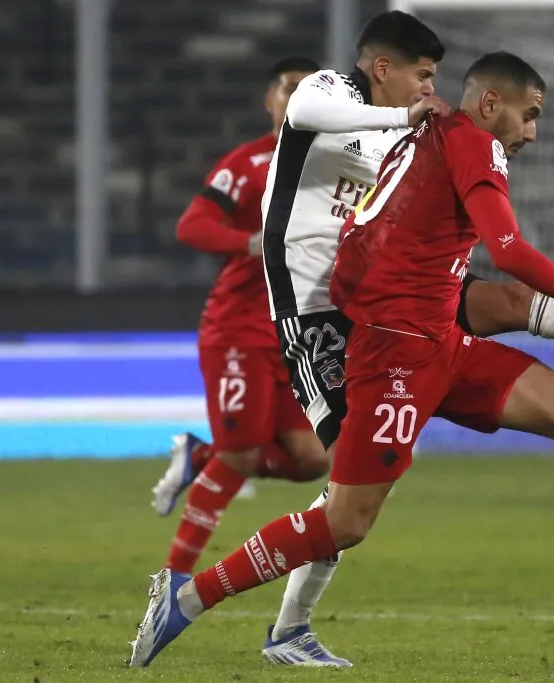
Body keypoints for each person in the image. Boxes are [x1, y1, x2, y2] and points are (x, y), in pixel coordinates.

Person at [127, 49, 554, 669]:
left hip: (438, 340)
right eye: (529, 114)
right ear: (491, 104)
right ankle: (186, 598)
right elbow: (509, 251)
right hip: (390, 353)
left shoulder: (427, 139)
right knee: (345, 521)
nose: (533, 133)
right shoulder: (469, 143)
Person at [150, 57, 330, 580]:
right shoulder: (248, 164)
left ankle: (200, 455)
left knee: (311, 458)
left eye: (311, 91)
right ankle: (173, 579)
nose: (299, 99)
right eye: (290, 88)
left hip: (298, 334)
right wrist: (249, 243)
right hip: (241, 328)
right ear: (270, 100)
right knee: (242, 455)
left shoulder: (342, 165)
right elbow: (192, 226)